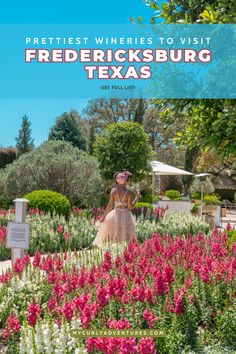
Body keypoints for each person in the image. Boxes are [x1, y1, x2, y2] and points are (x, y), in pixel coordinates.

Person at [92, 171, 141, 248]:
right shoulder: (128, 193)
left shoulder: (113, 191)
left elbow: (110, 205)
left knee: (112, 237)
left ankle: (113, 252)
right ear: (125, 181)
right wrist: (136, 198)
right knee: (125, 237)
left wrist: (104, 216)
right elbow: (130, 207)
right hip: (126, 216)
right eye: (129, 180)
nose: (130, 181)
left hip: (115, 214)